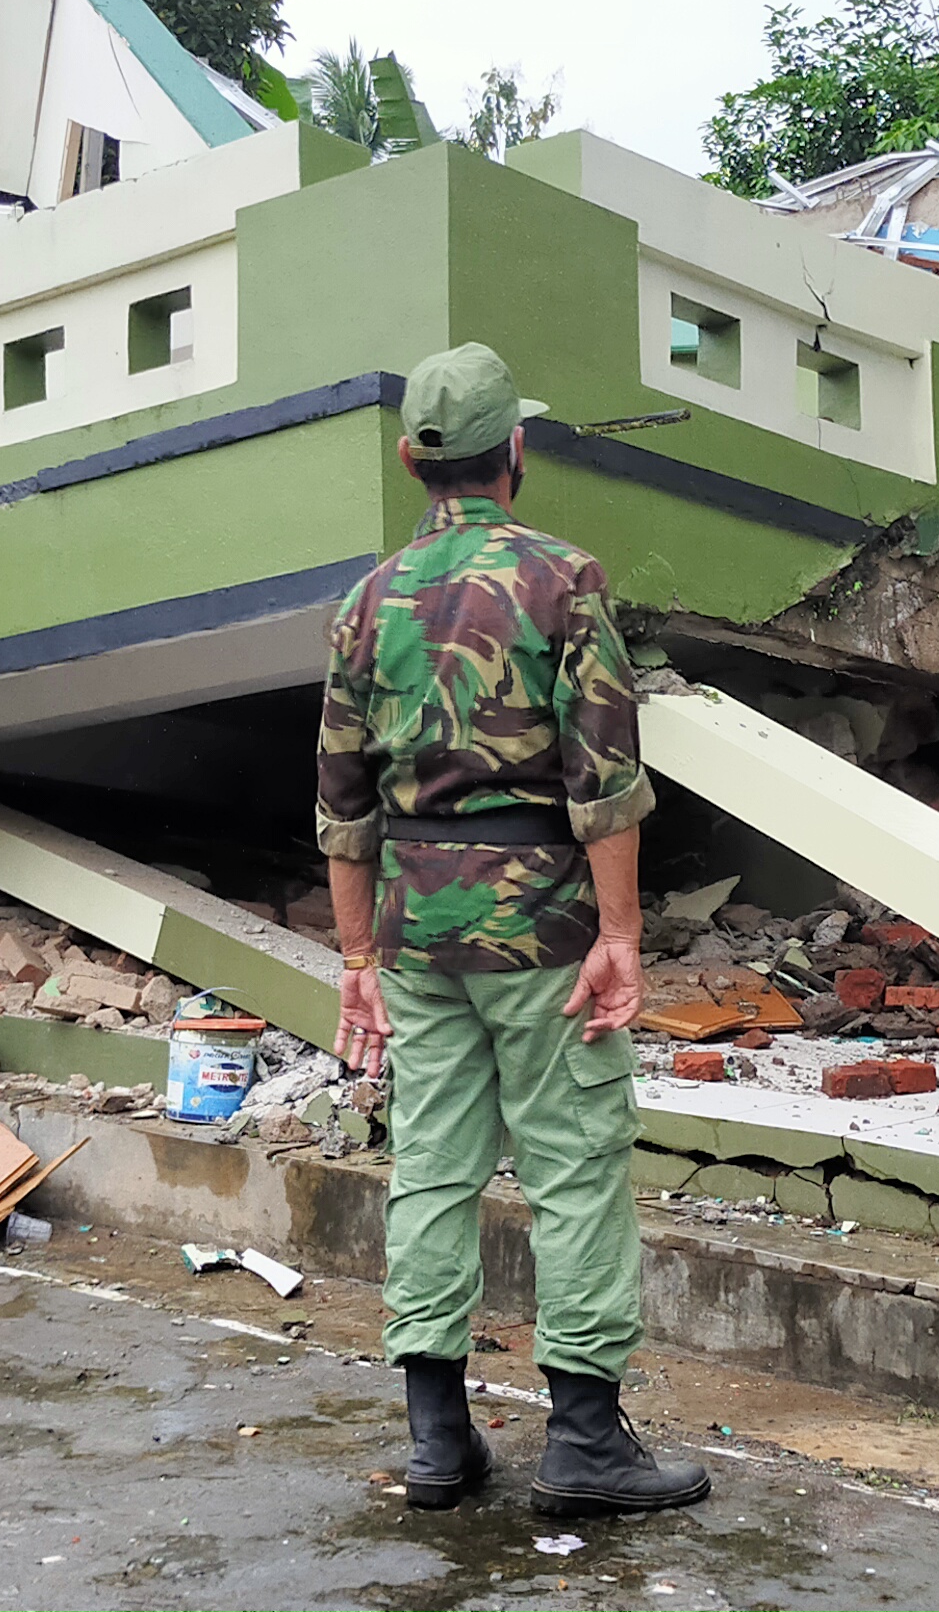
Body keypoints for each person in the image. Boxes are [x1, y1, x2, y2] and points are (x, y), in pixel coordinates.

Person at [315, 343, 711, 1519]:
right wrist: (623, 933)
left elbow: (341, 804)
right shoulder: (563, 580)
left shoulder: (362, 601)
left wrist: (354, 962)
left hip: (417, 931)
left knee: (430, 1168)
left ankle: (440, 1444)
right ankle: (585, 1443)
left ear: (410, 461)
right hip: (542, 925)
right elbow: (606, 775)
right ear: (516, 453)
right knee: (577, 1171)